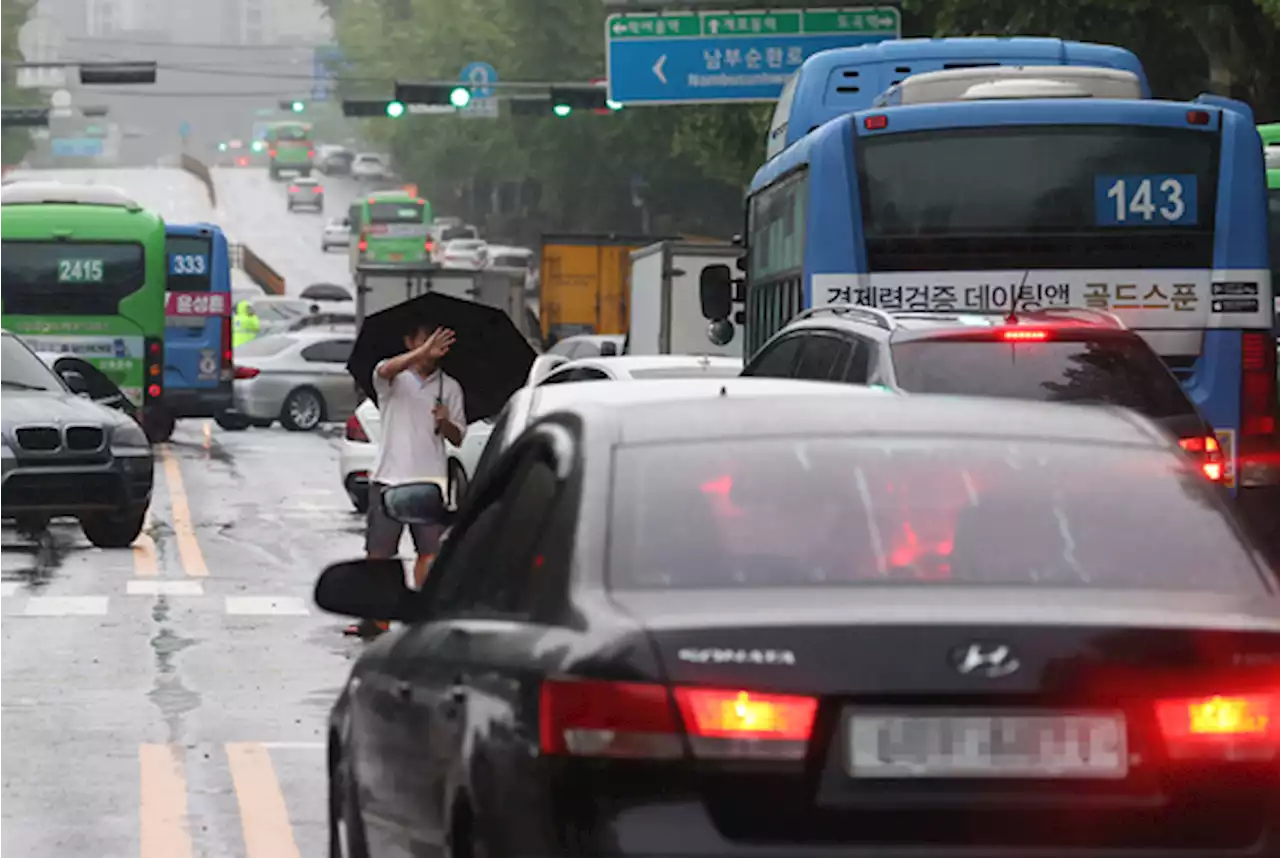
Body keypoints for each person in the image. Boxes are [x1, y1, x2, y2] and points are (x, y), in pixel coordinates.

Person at [349, 324, 466, 637]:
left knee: (428, 554)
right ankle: (376, 619)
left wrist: (446, 422)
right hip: (388, 479)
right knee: (379, 554)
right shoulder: (392, 379)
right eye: (424, 339)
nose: (431, 348)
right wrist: (422, 353)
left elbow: (458, 439)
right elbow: (385, 369)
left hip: (430, 483)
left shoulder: (450, 387)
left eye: (437, 342)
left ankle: (423, 616)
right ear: (409, 341)